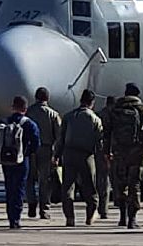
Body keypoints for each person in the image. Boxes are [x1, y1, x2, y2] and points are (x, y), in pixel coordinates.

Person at [104, 82, 143, 229]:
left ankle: (122, 216)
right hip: (138, 153)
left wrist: (106, 151)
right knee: (134, 184)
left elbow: (107, 131)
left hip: (119, 152)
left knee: (120, 184)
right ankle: (132, 219)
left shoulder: (115, 110)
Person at [0, 95, 41, 229]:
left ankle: (10, 216)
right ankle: (15, 219)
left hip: (6, 161)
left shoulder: (3, 122)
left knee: (9, 188)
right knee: (19, 189)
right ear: (25, 108)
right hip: (22, 161)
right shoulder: (29, 124)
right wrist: (27, 153)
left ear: (13, 107)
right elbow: (36, 143)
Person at [56, 89, 104, 226]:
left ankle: (70, 217)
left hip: (69, 154)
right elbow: (99, 140)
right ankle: (90, 215)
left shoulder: (69, 116)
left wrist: (57, 155)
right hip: (86, 155)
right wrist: (102, 157)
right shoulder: (95, 118)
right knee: (90, 187)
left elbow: (61, 139)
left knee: (67, 187)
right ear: (92, 103)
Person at [26, 86, 62, 219]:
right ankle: (44, 208)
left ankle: (31, 203)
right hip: (46, 149)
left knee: (29, 178)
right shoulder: (53, 114)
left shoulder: (29, 112)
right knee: (44, 180)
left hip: (30, 150)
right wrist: (57, 154)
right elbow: (59, 136)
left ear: (36, 97)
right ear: (47, 98)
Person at [95, 95, 116, 219]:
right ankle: (105, 209)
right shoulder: (116, 117)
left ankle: (101, 208)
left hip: (99, 151)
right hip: (112, 151)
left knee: (101, 180)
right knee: (108, 181)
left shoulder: (98, 115)